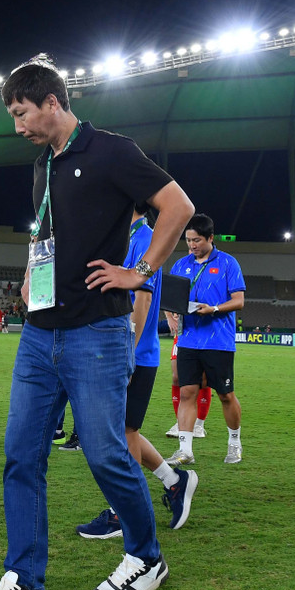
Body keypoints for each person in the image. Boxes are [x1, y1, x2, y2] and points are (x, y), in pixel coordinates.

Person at [0, 57, 193, 590]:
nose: (17, 126)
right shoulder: (42, 164)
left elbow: (178, 207)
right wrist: (29, 272)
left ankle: (145, 556)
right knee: (21, 455)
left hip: (96, 331)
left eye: (21, 113)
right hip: (39, 335)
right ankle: (24, 579)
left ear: (51, 102)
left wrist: (138, 271)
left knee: (107, 452)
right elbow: (45, 230)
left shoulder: (112, 151)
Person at [77, 201, 199, 540]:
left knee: (123, 433)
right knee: (126, 430)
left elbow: (142, 299)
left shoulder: (144, 237)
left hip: (134, 354)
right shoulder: (132, 236)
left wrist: (125, 354)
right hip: (130, 352)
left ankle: (122, 513)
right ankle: (175, 482)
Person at [165, 214, 246, 466]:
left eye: (197, 240)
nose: (192, 245)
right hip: (188, 340)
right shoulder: (180, 265)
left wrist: (214, 309)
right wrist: (170, 316)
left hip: (218, 341)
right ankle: (185, 450)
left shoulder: (228, 264)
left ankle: (234, 443)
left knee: (225, 394)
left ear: (210, 238)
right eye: (188, 240)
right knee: (187, 392)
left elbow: (239, 301)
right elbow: (168, 297)